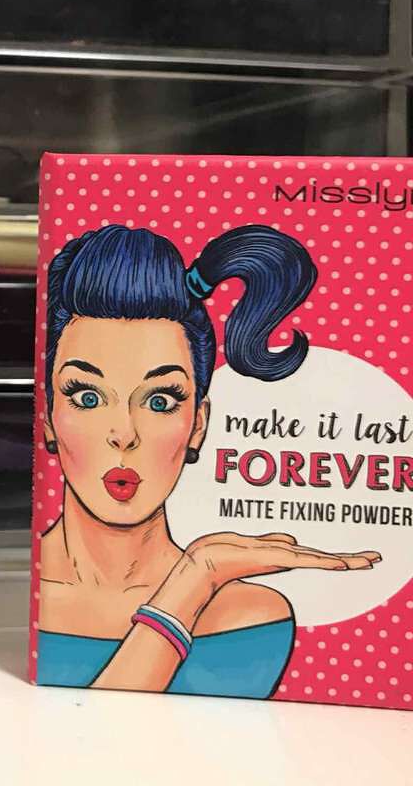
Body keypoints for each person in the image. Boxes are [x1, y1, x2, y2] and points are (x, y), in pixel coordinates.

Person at [38, 224, 381, 697]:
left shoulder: (248, 617)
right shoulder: (27, 594)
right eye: (88, 397)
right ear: (48, 416)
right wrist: (191, 584)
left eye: (160, 401)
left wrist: (200, 577)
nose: (125, 434)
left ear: (197, 424)